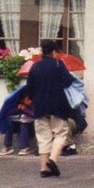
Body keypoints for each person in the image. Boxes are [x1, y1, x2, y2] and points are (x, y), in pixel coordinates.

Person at [25, 39, 75, 179]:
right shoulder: (59, 64)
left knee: (43, 137)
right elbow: (68, 82)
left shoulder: (35, 67)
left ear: (41, 51)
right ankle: (52, 159)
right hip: (57, 105)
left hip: (40, 106)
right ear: (53, 51)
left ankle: (44, 168)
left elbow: (29, 89)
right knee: (60, 133)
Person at [0, 84, 35, 156]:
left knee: (23, 125)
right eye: (27, 100)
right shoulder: (17, 103)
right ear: (22, 100)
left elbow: (35, 114)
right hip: (18, 124)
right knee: (9, 123)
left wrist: (25, 109)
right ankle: (7, 147)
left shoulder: (34, 103)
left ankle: (24, 148)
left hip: (32, 126)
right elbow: (8, 112)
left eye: (30, 99)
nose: (30, 101)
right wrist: (17, 109)